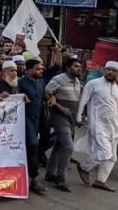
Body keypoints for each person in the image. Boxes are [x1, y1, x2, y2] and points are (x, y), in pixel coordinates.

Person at [76, 61, 118, 192]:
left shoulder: (115, 87)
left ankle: (100, 181)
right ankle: (84, 166)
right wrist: (78, 117)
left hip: (114, 125)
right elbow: (83, 100)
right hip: (98, 124)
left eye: (113, 70)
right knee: (105, 152)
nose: (110, 72)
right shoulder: (93, 83)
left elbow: (116, 106)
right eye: (108, 69)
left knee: (112, 157)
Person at [43, 58, 82, 192]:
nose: (79, 68)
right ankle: (61, 178)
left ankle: (50, 173)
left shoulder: (77, 81)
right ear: (68, 68)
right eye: (76, 66)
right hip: (59, 117)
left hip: (70, 118)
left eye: (79, 66)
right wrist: (60, 107)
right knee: (68, 146)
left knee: (59, 145)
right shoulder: (58, 79)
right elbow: (46, 92)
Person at [19, 58, 47, 195]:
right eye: (37, 69)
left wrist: (51, 97)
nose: (40, 71)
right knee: (32, 146)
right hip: (26, 119)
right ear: (29, 70)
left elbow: (43, 96)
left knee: (42, 142)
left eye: (41, 68)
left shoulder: (41, 82)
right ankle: (34, 179)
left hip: (39, 118)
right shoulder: (21, 82)